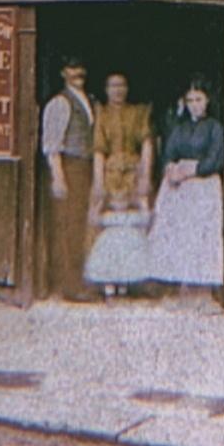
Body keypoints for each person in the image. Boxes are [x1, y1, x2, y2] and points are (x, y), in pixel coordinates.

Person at [146, 76, 224, 289]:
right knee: (179, 235)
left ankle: (202, 287)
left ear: (207, 101)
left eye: (199, 99)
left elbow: (215, 159)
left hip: (203, 186)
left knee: (200, 236)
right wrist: (170, 168)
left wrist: (193, 170)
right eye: (190, 100)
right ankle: (179, 285)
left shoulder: (214, 127)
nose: (194, 105)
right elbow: (169, 152)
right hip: (180, 187)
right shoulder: (179, 128)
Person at [86, 71, 154, 298]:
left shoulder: (137, 112)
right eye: (113, 86)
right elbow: (98, 150)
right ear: (106, 89)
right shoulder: (102, 114)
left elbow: (146, 143)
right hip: (111, 174)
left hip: (133, 172)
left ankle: (133, 277)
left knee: (136, 223)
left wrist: (145, 175)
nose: (118, 90)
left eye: (122, 85)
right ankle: (108, 279)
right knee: (107, 225)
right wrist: (98, 182)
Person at [39, 55, 97, 301]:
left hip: (85, 167)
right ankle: (69, 286)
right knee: (67, 226)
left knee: (80, 226)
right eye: (73, 68)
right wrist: (58, 177)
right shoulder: (60, 103)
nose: (78, 72)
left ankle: (79, 280)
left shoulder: (89, 100)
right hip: (69, 167)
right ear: (63, 72)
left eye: (81, 67)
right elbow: (52, 144)